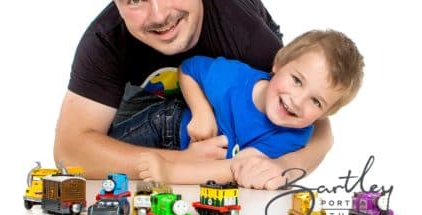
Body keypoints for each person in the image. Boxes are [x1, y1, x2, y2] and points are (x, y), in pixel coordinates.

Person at [53, 0, 334, 189]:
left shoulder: (247, 38)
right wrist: (183, 163)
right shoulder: (106, 38)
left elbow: (319, 131)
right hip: (159, 111)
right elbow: (70, 151)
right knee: (121, 133)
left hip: (227, 92)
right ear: (115, 2)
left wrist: (281, 168)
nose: (160, 14)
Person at [136, 30, 364, 184]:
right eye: (297, 80)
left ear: (325, 114)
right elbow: (189, 69)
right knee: (116, 149)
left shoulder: (294, 136)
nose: (297, 100)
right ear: (279, 63)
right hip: (166, 124)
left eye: (316, 101)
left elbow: (235, 166)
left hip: (189, 159)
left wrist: (172, 173)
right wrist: (202, 112)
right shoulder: (232, 78)